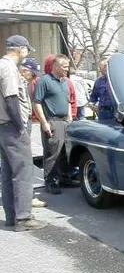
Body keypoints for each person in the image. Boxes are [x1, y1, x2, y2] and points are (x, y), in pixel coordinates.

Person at [0, 35, 46, 231]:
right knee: (23, 171)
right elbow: (11, 98)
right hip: (11, 126)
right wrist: (20, 126)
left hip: (3, 127)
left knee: (9, 171)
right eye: (26, 49)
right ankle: (24, 218)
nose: (26, 53)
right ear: (20, 49)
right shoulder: (9, 67)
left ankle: (12, 216)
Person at [33, 54, 75, 195]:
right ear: (55, 66)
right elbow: (36, 103)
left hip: (65, 121)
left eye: (67, 66)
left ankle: (65, 178)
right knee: (52, 153)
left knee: (64, 152)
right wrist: (44, 122)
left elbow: (68, 101)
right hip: (52, 121)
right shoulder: (44, 81)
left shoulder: (65, 82)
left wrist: (69, 118)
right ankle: (51, 181)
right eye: (64, 66)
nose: (67, 69)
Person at [19, 57, 48, 208]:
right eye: (32, 74)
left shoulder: (25, 83)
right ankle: (26, 199)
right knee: (23, 164)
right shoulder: (17, 83)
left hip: (21, 124)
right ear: (24, 70)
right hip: (18, 127)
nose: (34, 78)